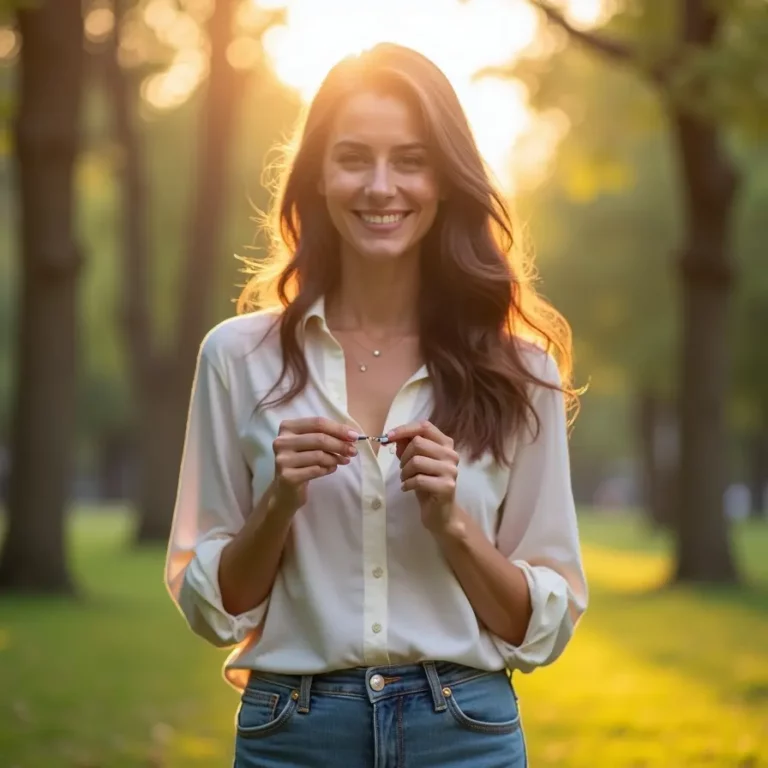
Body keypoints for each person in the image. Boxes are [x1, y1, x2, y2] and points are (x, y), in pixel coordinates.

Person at [165, 42, 588, 768]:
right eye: (354, 157)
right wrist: (278, 503)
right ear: (318, 177)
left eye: (411, 160)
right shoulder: (237, 357)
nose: (381, 186)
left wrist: (452, 524)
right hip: (293, 733)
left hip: (465, 732)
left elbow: (539, 628)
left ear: (447, 179)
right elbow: (216, 609)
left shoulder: (520, 368)